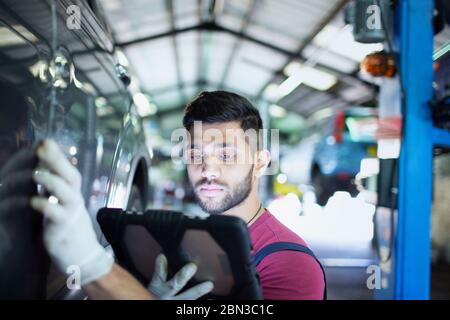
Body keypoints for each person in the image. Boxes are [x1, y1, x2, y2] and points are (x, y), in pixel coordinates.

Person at [21, 90, 325, 299]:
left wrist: (92, 266)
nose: (208, 169)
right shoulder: (188, 242)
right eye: (196, 154)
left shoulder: (290, 264)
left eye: (227, 155)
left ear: (260, 161)